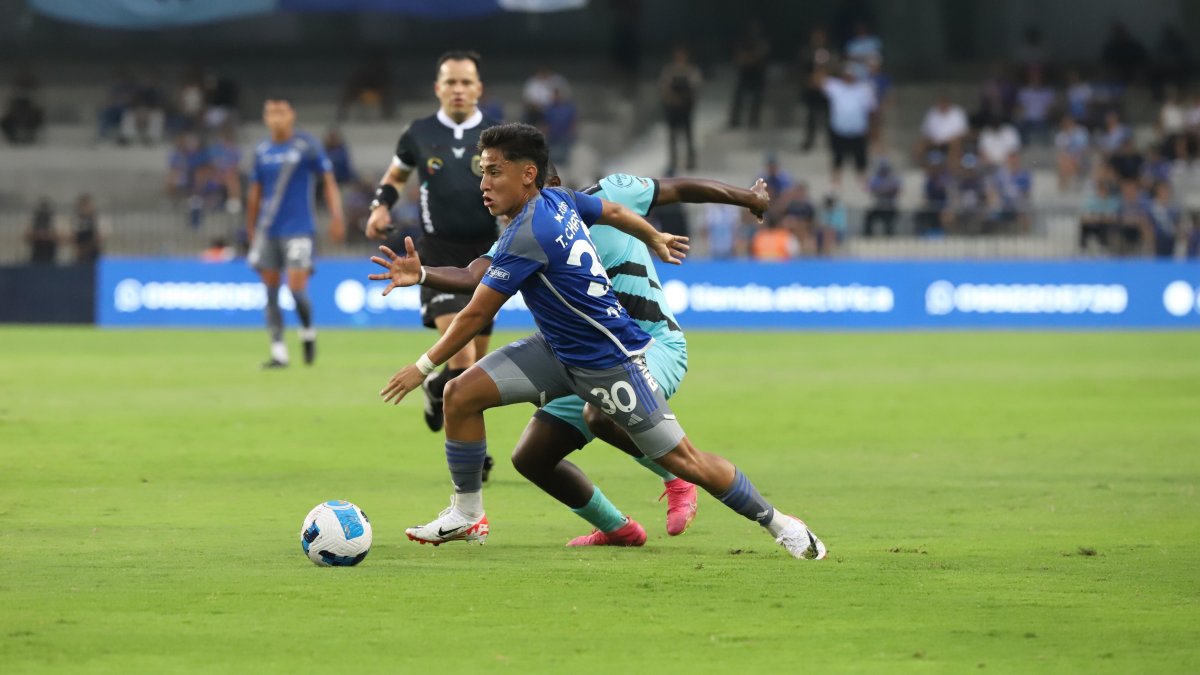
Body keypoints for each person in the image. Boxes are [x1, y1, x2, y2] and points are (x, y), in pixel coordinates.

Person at [371, 123, 826, 559]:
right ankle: (468, 514)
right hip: (556, 350)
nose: (483, 184)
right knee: (461, 394)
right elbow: (611, 213)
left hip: (610, 363)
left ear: (528, 175)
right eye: (482, 172)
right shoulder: (558, 202)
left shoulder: (530, 232)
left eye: (493, 171)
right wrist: (653, 236)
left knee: (687, 460)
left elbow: (477, 313)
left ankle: (780, 523)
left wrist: (423, 367)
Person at [365, 51, 504, 443]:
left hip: (487, 257)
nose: (458, 89)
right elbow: (396, 175)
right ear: (438, 88)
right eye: (451, 82)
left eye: (466, 82)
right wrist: (380, 207)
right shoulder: (419, 133)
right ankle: (474, 456)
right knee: (462, 357)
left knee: (473, 369)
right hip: (437, 255)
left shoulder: (498, 134)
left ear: (478, 88)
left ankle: (434, 390)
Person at [246, 97, 345, 369]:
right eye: (270, 112)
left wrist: (337, 216)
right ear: (265, 118)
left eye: (281, 111)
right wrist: (251, 230)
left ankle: (308, 332)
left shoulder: (306, 145)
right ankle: (279, 352)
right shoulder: (262, 150)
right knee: (270, 290)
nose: (276, 117)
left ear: (292, 115)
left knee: (297, 287)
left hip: (299, 228)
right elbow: (254, 193)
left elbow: (328, 180)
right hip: (268, 230)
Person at [659, 46, 701, 174]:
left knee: (688, 135)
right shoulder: (669, 71)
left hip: (685, 107)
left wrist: (686, 98)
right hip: (673, 107)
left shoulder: (691, 71)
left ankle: (690, 160)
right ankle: (673, 161)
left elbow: (696, 86)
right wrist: (672, 98)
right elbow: (664, 87)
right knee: (672, 137)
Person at [26, 197, 58, 264]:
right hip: (37, 251)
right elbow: (28, 237)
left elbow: (57, 236)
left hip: (49, 252)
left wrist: (47, 235)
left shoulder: (51, 220)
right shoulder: (36, 220)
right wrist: (37, 235)